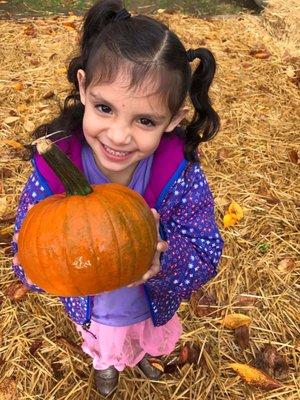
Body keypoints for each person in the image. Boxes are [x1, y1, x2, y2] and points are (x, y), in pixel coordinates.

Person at [12, 0, 224, 396]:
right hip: (93, 310)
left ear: (174, 119)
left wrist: (165, 257)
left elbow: (206, 252)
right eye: (105, 108)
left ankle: (140, 355)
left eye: (145, 120)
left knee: (139, 335)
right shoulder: (53, 173)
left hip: (148, 303)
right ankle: (106, 365)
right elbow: (25, 254)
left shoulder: (178, 176)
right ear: (82, 88)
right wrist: (40, 266)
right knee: (105, 345)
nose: (118, 135)